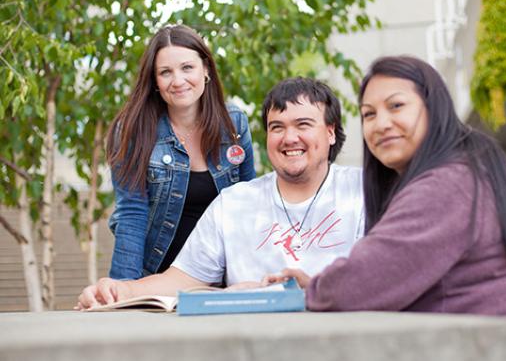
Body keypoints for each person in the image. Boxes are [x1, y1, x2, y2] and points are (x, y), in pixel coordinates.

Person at [268, 56, 506, 323]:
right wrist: (317, 287)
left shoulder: (448, 186)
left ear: (433, 108)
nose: (381, 124)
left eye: (396, 106)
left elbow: (364, 281)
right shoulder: (468, 172)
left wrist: (318, 290)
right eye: (369, 114)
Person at [77, 77, 364, 308]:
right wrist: (119, 289)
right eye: (277, 127)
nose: (289, 138)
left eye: (303, 124)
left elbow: (388, 279)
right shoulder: (234, 202)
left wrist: (315, 289)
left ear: (330, 132)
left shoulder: (365, 192)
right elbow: (182, 279)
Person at [106, 24, 256, 280]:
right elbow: (132, 213)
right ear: (154, 80)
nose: (178, 81)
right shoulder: (133, 129)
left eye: (187, 68)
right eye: (165, 72)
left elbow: (247, 205)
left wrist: (251, 276)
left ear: (205, 69)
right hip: (156, 278)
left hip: (222, 278)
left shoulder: (234, 125)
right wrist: (125, 290)